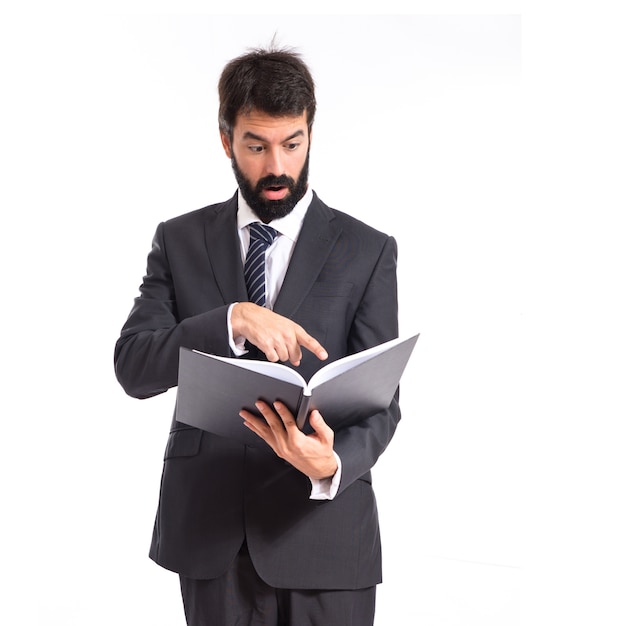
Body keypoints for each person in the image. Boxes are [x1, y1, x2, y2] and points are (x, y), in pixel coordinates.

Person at [114, 44, 400, 626]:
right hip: (212, 537)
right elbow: (134, 366)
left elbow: (383, 402)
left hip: (325, 534)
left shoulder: (368, 250)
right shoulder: (179, 240)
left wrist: (331, 462)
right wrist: (229, 320)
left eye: (292, 144)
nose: (277, 166)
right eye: (257, 145)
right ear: (226, 141)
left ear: (310, 135)